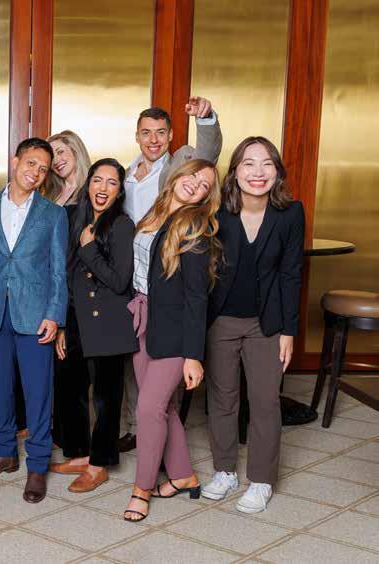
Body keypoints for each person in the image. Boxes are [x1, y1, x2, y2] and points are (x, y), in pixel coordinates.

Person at [202, 137, 304, 513]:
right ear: (235, 171)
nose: (257, 172)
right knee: (222, 399)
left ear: (277, 171)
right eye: (248, 163)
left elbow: (292, 274)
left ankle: (261, 480)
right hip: (221, 320)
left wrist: (289, 331)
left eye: (266, 164)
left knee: (265, 401)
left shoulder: (290, 213)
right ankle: (225, 470)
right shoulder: (216, 211)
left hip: (268, 323)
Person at [118, 96, 223, 454]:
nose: (154, 140)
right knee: (136, 367)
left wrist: (206, 119)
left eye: (161, 133)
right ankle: (139, 428)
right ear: (136, 136)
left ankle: (154, 432)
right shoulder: (126, 174)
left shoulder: (182, 165)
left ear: (171, 135)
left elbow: (207, 154)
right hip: (134, 282)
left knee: (162, 377)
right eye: (146, 133)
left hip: (168, 281)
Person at [0, 138, 67, 504]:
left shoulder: (53, 214)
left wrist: (54, 315)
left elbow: (58, 271)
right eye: (30, 163)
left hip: (35, 315)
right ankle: (4, 452)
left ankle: (37, 465)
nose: (35, 173)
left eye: (43, 169)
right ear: (15, 162)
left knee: (38, 392)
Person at [123, 159, 222, 522]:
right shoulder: (156, 211)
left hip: (174, 329)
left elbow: (197, 297)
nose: (196, 184)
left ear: (207, 197)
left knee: (148, 408)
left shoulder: (194, 226)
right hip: (142, 317)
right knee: (163, 408)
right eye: (193, 175)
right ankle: (183, 476)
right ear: (178, 175)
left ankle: (141, 489)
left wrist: (193, 355)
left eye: (205, 184)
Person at [50, 158, 137, 493]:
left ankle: (99, 464)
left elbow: (119, 280)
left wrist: (89, 249)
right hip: (74, 319)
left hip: (108, 323)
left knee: (105, 398)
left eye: (112, 183)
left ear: (119, 191)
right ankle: (79, 454)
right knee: (70, 389)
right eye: (98, 180)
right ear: (88, 185)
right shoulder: (76, 218)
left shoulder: (122, 225)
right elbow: (65, 276)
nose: (103, 188)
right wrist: (61, 324)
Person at [45, 130, 91, 450]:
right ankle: (61, 436)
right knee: (59, 371)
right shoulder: (52, 196)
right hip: (54, 291)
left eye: (62, 152)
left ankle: (77, 447)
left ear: (75, 151)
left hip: (78, 295)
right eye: (53, 156)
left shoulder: (90, 194)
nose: (57, 160)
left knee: (74, 372)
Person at [45, 130, 91, 206]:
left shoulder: (91, 189)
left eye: (60, 152)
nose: (55, 161)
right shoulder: (50, 193)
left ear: (75, 151)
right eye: (51, 157)